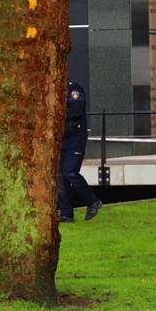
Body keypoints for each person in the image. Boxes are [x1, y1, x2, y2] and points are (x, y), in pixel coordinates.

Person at [58, 78, 102, 223]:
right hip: (63, 138)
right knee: (60, 177)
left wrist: (56, 112)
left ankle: (92, 201)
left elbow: (76, 110)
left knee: (70, 172)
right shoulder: (55, 89)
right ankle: (66, 214)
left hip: (75, 137)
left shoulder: (73, 89)